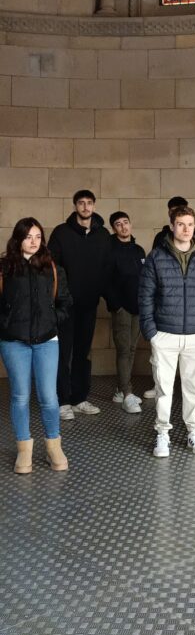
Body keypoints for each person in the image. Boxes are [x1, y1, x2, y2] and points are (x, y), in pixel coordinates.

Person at [139, 206, 195, 458]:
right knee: (163, 388)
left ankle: (193, 431)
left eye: (190, 224)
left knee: (194, 388)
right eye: (181, 224)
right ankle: (162, 433)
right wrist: (151, 332)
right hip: (164, 334)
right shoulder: (156, 257)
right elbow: (145, 296)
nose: (186, 229)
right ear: (172, 226)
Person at [0, 218, 72, 474]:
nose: (34, 242)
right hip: (13, 341)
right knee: (20, 396)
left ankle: (54, 447)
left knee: (49, 397)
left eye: (38, 237)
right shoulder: (5, 268)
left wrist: (52, 320)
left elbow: (65, 302)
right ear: (18, 238)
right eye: (28, 236)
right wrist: (5, 323)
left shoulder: (53, 268)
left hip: (47, 340)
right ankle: (24, 450)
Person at [48, 190, 111, 419]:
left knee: (83, 353)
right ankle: (62, 400)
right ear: (75, 205)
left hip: (89, 304)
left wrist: (101, 293)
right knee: (63, 353)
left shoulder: (103, 234)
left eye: (89, 203)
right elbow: (52, 268)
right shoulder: (61, 233)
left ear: (94, 205)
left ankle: (79, 398)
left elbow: (107, 267)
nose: (85, 207)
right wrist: (60, 298)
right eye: (81, 203)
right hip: (65, 306)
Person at [106, 211, 146, 414]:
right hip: (121, 309)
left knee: (131, 349)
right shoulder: (110, 251)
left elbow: (144, 278)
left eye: (126, 222)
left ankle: (120, 390)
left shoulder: (138, 250)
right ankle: (127, 393)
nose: (123, 227)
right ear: (114, 228)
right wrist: (116, 305)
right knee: (123, 350)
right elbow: (104, 281)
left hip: (138, 307)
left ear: (130, 224)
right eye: (118, 224)